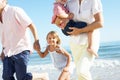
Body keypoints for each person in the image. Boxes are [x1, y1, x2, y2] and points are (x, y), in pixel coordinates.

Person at [0, 0, 40, 80]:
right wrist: (3, 50)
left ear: (4, 1)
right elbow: (5, 37)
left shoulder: (15, 10)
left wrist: (36, 40)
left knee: (22, 77)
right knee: (6, 77)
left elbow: (31, 25)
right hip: (7, 52)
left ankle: (42, 76)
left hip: (21, 49)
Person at [63, 0, 104, 80]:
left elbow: (100, 23)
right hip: (75, 42)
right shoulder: (69, 3)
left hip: (90, 41)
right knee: (79, 73)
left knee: (82, 71)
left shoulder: (93, 1)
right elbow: (61, 18)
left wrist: (81, 30)